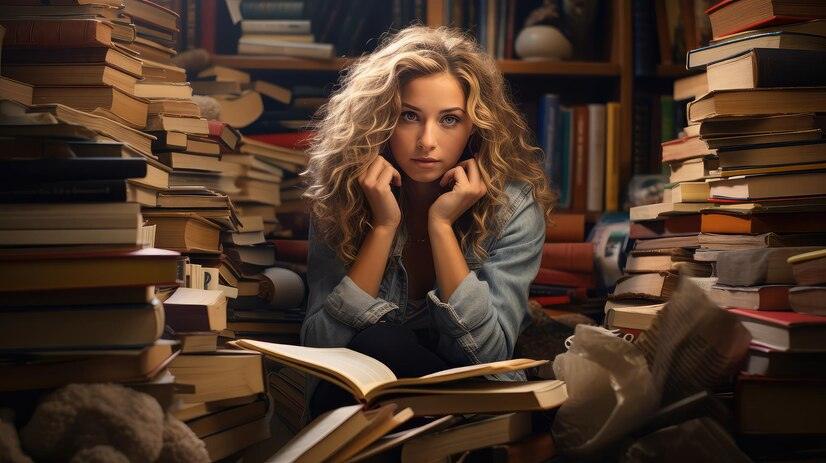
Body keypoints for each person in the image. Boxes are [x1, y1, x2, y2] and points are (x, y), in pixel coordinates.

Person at [300, 26, 555, 418]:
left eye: (450, 120)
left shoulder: (513, 208)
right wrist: (384, 226)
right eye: (408, 116)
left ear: (476, 126)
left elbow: (489, 359)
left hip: (472, 405)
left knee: (380, 345)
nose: (426, 141)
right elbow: (322, 349)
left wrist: (441, 228)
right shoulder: (342, 197)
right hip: (364, 409)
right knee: (375, 347)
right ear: (380, 120)